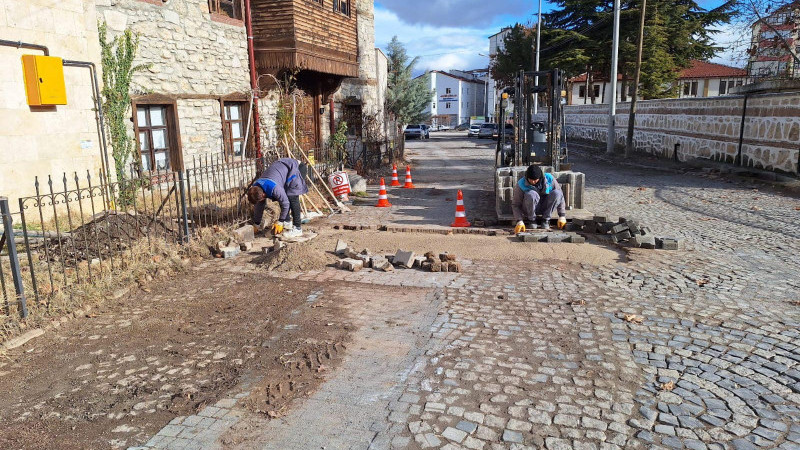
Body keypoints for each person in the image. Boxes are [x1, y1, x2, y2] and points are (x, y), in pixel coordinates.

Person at [247, 158, 309, 238]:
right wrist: (257, 224)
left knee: (292, 197)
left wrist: (280, 221)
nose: (260, 202)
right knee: (281, 196)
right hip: (284, 170)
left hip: (297, 168)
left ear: (263, 195)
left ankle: (297, 228)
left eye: (260, 200)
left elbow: (285, 203)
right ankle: (287, 222)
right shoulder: (257, 188)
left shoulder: (274, 188)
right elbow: (259, 206)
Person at [512, 164, 567, 234]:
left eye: (535, 180)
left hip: (545, 206)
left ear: (540, 177)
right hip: (529, 208)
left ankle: (546, 220)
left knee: (557, 193)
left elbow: (560, 197)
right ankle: (532, 220)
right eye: (530, 179)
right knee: (531, 194)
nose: (533, 182)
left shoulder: (549, 179)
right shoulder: (521, 184)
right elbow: (516, 205)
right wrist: (519, 220)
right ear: (527, 177)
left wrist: (562, 216)